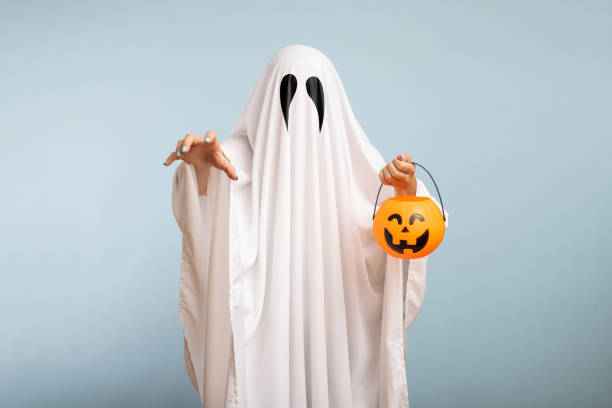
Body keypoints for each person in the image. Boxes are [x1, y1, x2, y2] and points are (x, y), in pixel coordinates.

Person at [164, 44, 448, 408]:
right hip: (268, 341)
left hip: (337, 332)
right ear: (267, 100)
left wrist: (406, 190)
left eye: (313, 91)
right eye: (288, 89)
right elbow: (208, 200)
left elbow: (404, 230)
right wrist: (200, 167)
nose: (300, 105)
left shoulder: (358, 166)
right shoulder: (238, 157)